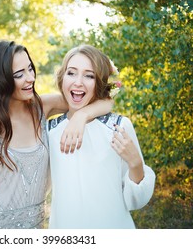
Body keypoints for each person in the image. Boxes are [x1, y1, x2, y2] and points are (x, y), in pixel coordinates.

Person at [0, 40, 113, 229]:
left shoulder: (42, 107)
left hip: (36, 223)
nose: (30, 78)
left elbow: (105, 100)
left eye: (30, 68)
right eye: (19, 74)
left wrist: (81, 116)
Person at [47, 44, 156, 228]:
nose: (78, 82)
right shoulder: (50, 131)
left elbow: (136, 202)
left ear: (99, 83)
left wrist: (136, 164)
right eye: (71, 73)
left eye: (89, 75)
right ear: (62, 78)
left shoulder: (118, 127)